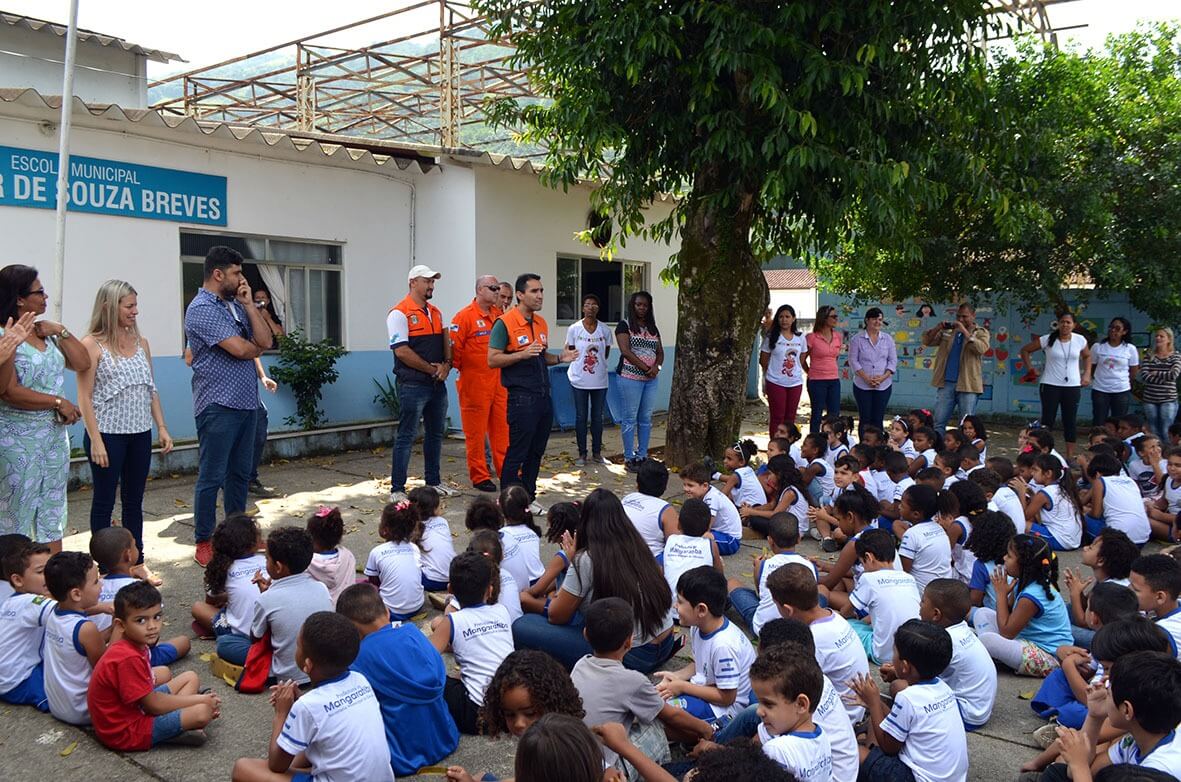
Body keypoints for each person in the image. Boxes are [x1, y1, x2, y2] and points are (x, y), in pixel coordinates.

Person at [512, 488, 676, 672]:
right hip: (665, 642)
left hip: (632, 655)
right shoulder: (638, 544)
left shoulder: (586, 558)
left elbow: (556, 616)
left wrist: (572, 561)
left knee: (522, 626)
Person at [76, 280, 172, 582]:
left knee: (134, 501)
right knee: (104, 501)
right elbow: (84, 397)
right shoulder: (91, 344)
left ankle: (137, 561)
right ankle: (106, 568)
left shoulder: (142, 343)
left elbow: (150, 390)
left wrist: (162, 427)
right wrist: (96, 440)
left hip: (139, 433)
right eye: (129, 306)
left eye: (135, 305)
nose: (135, 311)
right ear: (109, 307)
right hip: (107, 435)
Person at [183, 247, 273, 566]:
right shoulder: (201, 309)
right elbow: (241, 349)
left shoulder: (236, 305)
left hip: (247, 403)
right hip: (218, 404)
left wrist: (249, 305)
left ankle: (239, 538)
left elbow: (266, 341)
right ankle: (204, 540)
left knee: (239, 475)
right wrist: (255, 347)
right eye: (236, 273)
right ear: (218, 274)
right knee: (212, 476)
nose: (242, 279)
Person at [231, 611, 394, 782]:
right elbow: (324, 715)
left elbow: (276, 765)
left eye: (298, 646)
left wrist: (281, 713)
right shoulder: (360, 680)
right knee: (306, 746)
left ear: (307, 665)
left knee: (242, 768)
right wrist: (300, 700)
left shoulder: (307, 706)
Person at [0, 265, 89, 553]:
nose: (45, 296)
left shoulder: (44, 333)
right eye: (39, 292)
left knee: (52, 509)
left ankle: (53, 574)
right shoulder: (5, 336)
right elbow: (8, 391)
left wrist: (60, 330)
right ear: (19, 299)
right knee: (16, 510)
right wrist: (57, 402)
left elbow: (82, 363)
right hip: (18, 440)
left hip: (53, 438)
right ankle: (13, 576)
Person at [571, 598, 712, 774]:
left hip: (576, 759)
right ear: (630, 642)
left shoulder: (580, 665)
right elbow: (672, 715)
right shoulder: (632, 681)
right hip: (609, 771)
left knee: (645, 712)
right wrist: (705, 729)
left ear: (585, 634)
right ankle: (690, 754)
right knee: (656, 722)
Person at [337, 583, 458, 777]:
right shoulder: (414, 634)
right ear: (387, 611)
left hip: (400, 755)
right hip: (445, 737)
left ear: (351, 628)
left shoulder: (358, 659)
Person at [88, 582, 219, 751]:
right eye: (141, 620)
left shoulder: (134, 643)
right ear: (121, 625)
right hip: (125, 732)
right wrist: (200, 700)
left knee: (190, 677)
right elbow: (153, 705)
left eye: (157, 617)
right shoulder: (127, 657)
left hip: (136, 708)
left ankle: (177, 724)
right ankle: (174, 730)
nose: (152, 626)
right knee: (202, 712)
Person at [488, 273, 577, 507]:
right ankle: (509, 502)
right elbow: (493, 359)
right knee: (518, 452)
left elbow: (541, 356)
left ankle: (528, 497)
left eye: (541, 291)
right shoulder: (505, 323)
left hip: (543, 396)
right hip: (521, 397)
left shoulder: (540, 323)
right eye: (534, 291)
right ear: (520, 295)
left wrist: (560, 358)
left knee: (536, 452)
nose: (540, 296)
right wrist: (521, 354)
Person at [850, 619, 969, 782]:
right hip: (951, 777)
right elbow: (900, 723)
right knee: (878, 720)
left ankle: (866, 754)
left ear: (905, 666)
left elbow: (889, 747)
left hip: (917, 778)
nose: (892, 658)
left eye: (894, 653)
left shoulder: (908, 698)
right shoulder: (944, 688)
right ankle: (869, 750)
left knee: (854, 753)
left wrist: (873, 703)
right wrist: (875, 704)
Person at [767, 563, 870, 723]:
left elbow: (791, 686)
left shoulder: (813, 639)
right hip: (855, 708)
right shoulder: (834, 617)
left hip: (840, 718)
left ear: (788, 610)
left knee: (758, 706)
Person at [387, 264, 456, 504]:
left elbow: (447, 342)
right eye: (426, 281)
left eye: (433, 281)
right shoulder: (399, 313)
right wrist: (432, 369)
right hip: (413, 385)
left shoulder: (436, 312)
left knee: (435, 434)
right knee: (406, 435)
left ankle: (433, 482)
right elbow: (402, 351)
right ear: (412, 282)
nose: (431, 285)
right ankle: (397, 488)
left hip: (437, 384)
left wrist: (446, 365)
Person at [428, 551, 514, 734]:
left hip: (476, 715)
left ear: (450, 590)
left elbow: (425, 658)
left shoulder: (453, 621)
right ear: (490, 590)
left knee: (435, 680)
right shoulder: (502, 611)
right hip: (508, 710)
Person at [655, 566, 756, 723]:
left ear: (701, 610)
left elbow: (727, 698)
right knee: (655, 700)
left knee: (662, 711)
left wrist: (682, 687)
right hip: (707, 692)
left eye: (680, 602)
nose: (675, 606)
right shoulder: (698, 626)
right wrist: (676, 676)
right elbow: (702, 664)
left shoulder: (724, 646)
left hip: (725, 711)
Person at [974, 534, 1073, 677]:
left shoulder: (1032, 595)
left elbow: (1007, 632)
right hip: (1026, 640)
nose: (1004, 558)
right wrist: (1005, 594)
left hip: (1049, 655)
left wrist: (1000, 594)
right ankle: (996, 656)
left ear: (1023, 564)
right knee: (982, 613)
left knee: (987, 640)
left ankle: (991, 655)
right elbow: (1008, 613)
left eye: (1009, 556)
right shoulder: (1024, 582)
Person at [89, 528, 189, 665]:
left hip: (100, 650)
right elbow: (152, 639)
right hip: (131, 656)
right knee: (184, 642)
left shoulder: (94, 589)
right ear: (128, 555)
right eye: (134, 545)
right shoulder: (140, 589)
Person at [251, 527, 333, 685]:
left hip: (286, 677)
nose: (266, 562)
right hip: (321, 671)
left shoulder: (266, 599)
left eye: (267, 559)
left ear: (278, 567)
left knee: (228, 643)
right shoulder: (321, 588)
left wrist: (265, 596)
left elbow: (256, 637)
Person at [451, 274, 508, 492]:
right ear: (479, 290)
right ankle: (479, 475)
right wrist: (468, 373)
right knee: (475, 434)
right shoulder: (464, 317)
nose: (497, 292)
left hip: (499, 383)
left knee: (502, 431)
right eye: (493, 288)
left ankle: (507, 472)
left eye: (497, 288)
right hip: (474, 384)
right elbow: (454, 351)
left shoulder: (499, 316)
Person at [916, 579, 997, 730]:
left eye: (923, 601)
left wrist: (898, 672)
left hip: (967, 714)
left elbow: (920, 676)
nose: (919, 605)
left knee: (899, 687)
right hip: (979, 709)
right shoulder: (962, 630)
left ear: (936, 614)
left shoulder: (946, 641)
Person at [190, 514, 266, 665]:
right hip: (273, 631)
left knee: (198, 608)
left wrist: (228, 597)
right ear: (253, 544)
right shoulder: (265, 560)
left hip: (244, 635)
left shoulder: (223, 568)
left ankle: (226, 633)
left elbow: (211, 602)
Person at [727, 513, 815, 638]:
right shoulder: (809, 565)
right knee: (822, 590)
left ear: (770, 540)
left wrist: (757, 568)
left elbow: (761, 594)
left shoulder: (763, 565)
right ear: (799, 539)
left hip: (764, 629)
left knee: (732, 583)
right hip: (798, 626)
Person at [843, 529, 921, 664]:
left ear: (868, 557)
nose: (863, 567)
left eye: (862, 563)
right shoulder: (909, 578)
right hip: (909, 652)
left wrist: (851, 618)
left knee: (847, 625)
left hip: (883, 654)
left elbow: (846, 611)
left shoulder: (869, 578)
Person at [43, 551, 104, 725]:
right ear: (76, 594)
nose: (101, 584)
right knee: (160, 674)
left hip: (57, 707)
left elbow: (85, 645)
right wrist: (120, 628)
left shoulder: (53, 614)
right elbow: (106, 669)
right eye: (96, 581)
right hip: (84, 710)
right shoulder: (85, 629)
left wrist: (106, 612)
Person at [1021, 312, 1092, 459]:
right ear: (1058, 324)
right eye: (1062, 322)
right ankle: (1043, 453)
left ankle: (1069, 456)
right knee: (1048, 421)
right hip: (1050, 384)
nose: (1065, 325)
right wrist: (1030, 369)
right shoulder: (1047, 339)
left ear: (1074, 325)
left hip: (1072, 386)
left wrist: (1087, 374)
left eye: (1068, 322)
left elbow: (1087, 356)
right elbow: (1025, 350)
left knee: (1070, 421)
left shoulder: (1080, 340)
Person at [0, 540, 53, 710]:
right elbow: (68, 609)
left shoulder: (10, 601)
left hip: (7, 676)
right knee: (64, 697)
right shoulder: (32, 602)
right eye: (41, 572)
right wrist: (105, 607)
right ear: (18, 580)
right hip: (19, 680)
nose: (51, 576)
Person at [922, 303, 991, 434]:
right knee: (939, 421)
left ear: (973, 315)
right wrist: (938, 328)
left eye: (964, 316)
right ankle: (939, 445)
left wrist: (964, 331)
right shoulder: (949, 331)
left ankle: (963, 446)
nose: (960, 319)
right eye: (958, 316)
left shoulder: (981, 332)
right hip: (946, 382)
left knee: (966, 425)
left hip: (968, 384)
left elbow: (981, 348)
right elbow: (927, 341)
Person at [615, 291, 664, 470]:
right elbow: (626, 351)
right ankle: (629, 458)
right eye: (638, 304)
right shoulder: (624, 325)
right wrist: (646, 368)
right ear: (632, 306)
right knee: (630, 418)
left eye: (645, 305)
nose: (642, 308)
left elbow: (660, 352)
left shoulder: (653, 328)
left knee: (645, 418)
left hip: (651, 380)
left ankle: (642, 455)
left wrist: (657, 367)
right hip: (630, 378)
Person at [566, 293, 614, 466]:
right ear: (582, 308)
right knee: (581, 416)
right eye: (587, 304)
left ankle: (597, 453)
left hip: (599, 380)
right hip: (579, 379)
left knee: (597, 417)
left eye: (594, 304)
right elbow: (571, 351)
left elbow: (605, 353)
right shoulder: (574, 329)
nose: (591, 307)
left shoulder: (605, 330)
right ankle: (582, 454)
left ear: (598, 308)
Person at [364, 501, 426, 622]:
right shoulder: (414, 548)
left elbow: (374, 583)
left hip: (390, 611)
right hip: (417, 606)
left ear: (385, 529)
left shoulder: (377, 552)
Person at [849, 307, 897, 439]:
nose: (877, 322)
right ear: (867, 320)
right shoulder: (857, 339)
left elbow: (892, 361)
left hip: (883, 385)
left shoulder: (887, 339)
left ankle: (877, 445)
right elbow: (853, 361)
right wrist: (866, 378)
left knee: (878, 418)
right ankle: (864, 445)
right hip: (862, 385)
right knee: (865, 418)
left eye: (880, 319)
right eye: (874, 319)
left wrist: (882, 378)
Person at [760, 304, 808, 435]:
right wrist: (773, 372)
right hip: (775, 382)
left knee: (790, 417)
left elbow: (802, 358)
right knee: (777, 417)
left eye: (787, 316)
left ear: (793, 318)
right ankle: (775, 444)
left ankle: (787, 445)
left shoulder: (800, 337)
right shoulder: (771, 337)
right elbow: (763, 360)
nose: (784, 320)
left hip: (795, 383)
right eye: (781, 317)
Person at [622, 458, 679, 557]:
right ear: (665, 487)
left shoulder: (627, 498)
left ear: (637, 483)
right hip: (649, 559)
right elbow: (675, 545)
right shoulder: (666, 509)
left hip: (620, 554)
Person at [1129, 554, 1181, 657]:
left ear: (1160, 597)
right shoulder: (1175, 604)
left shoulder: (1161, 634)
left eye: (1135, 589)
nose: (1127, 589)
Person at [1089, 317, 1139, 425]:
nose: (1113, 330)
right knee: (1099, 420)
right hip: (1100, 389)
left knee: (1119, 422)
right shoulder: (1098, 347)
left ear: (1124, 332)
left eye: (1117, 328)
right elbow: (1092, 366)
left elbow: (1133, 370)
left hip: (1121, 390)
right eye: (1111, 327)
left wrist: (1125, 381)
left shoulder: (1130, 348)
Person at [801, 304, 842, 434]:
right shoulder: (811, 337)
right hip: (816, 380)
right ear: (824, 318)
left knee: (834, 414)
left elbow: (835, 357)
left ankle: (832, 439)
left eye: (836, 316)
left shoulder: (838, 336)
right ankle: (814, 439)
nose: (836, 319)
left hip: (834, 380)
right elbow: (802, 359)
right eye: (833, 316)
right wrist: (809, 372)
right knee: (817, 413)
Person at [305, 506, 357, 605]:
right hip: (346, 609)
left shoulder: (305, 563)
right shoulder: (348, 556)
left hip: (318, 612)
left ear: (311, 537)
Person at [1138, 328, 1181, 442]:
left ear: (1169, 339)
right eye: (1157, 336)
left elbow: (1174, 374)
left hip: (1168, 399)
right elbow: (1145, 375)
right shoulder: (1149, 355)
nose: (1158, 338)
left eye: (1161, 336)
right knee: (1153, 429)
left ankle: (1168, 450)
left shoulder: (1175, 356)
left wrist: (1156, 373)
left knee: (1166, 429)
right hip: (1150, 399)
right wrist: (1165, 379)